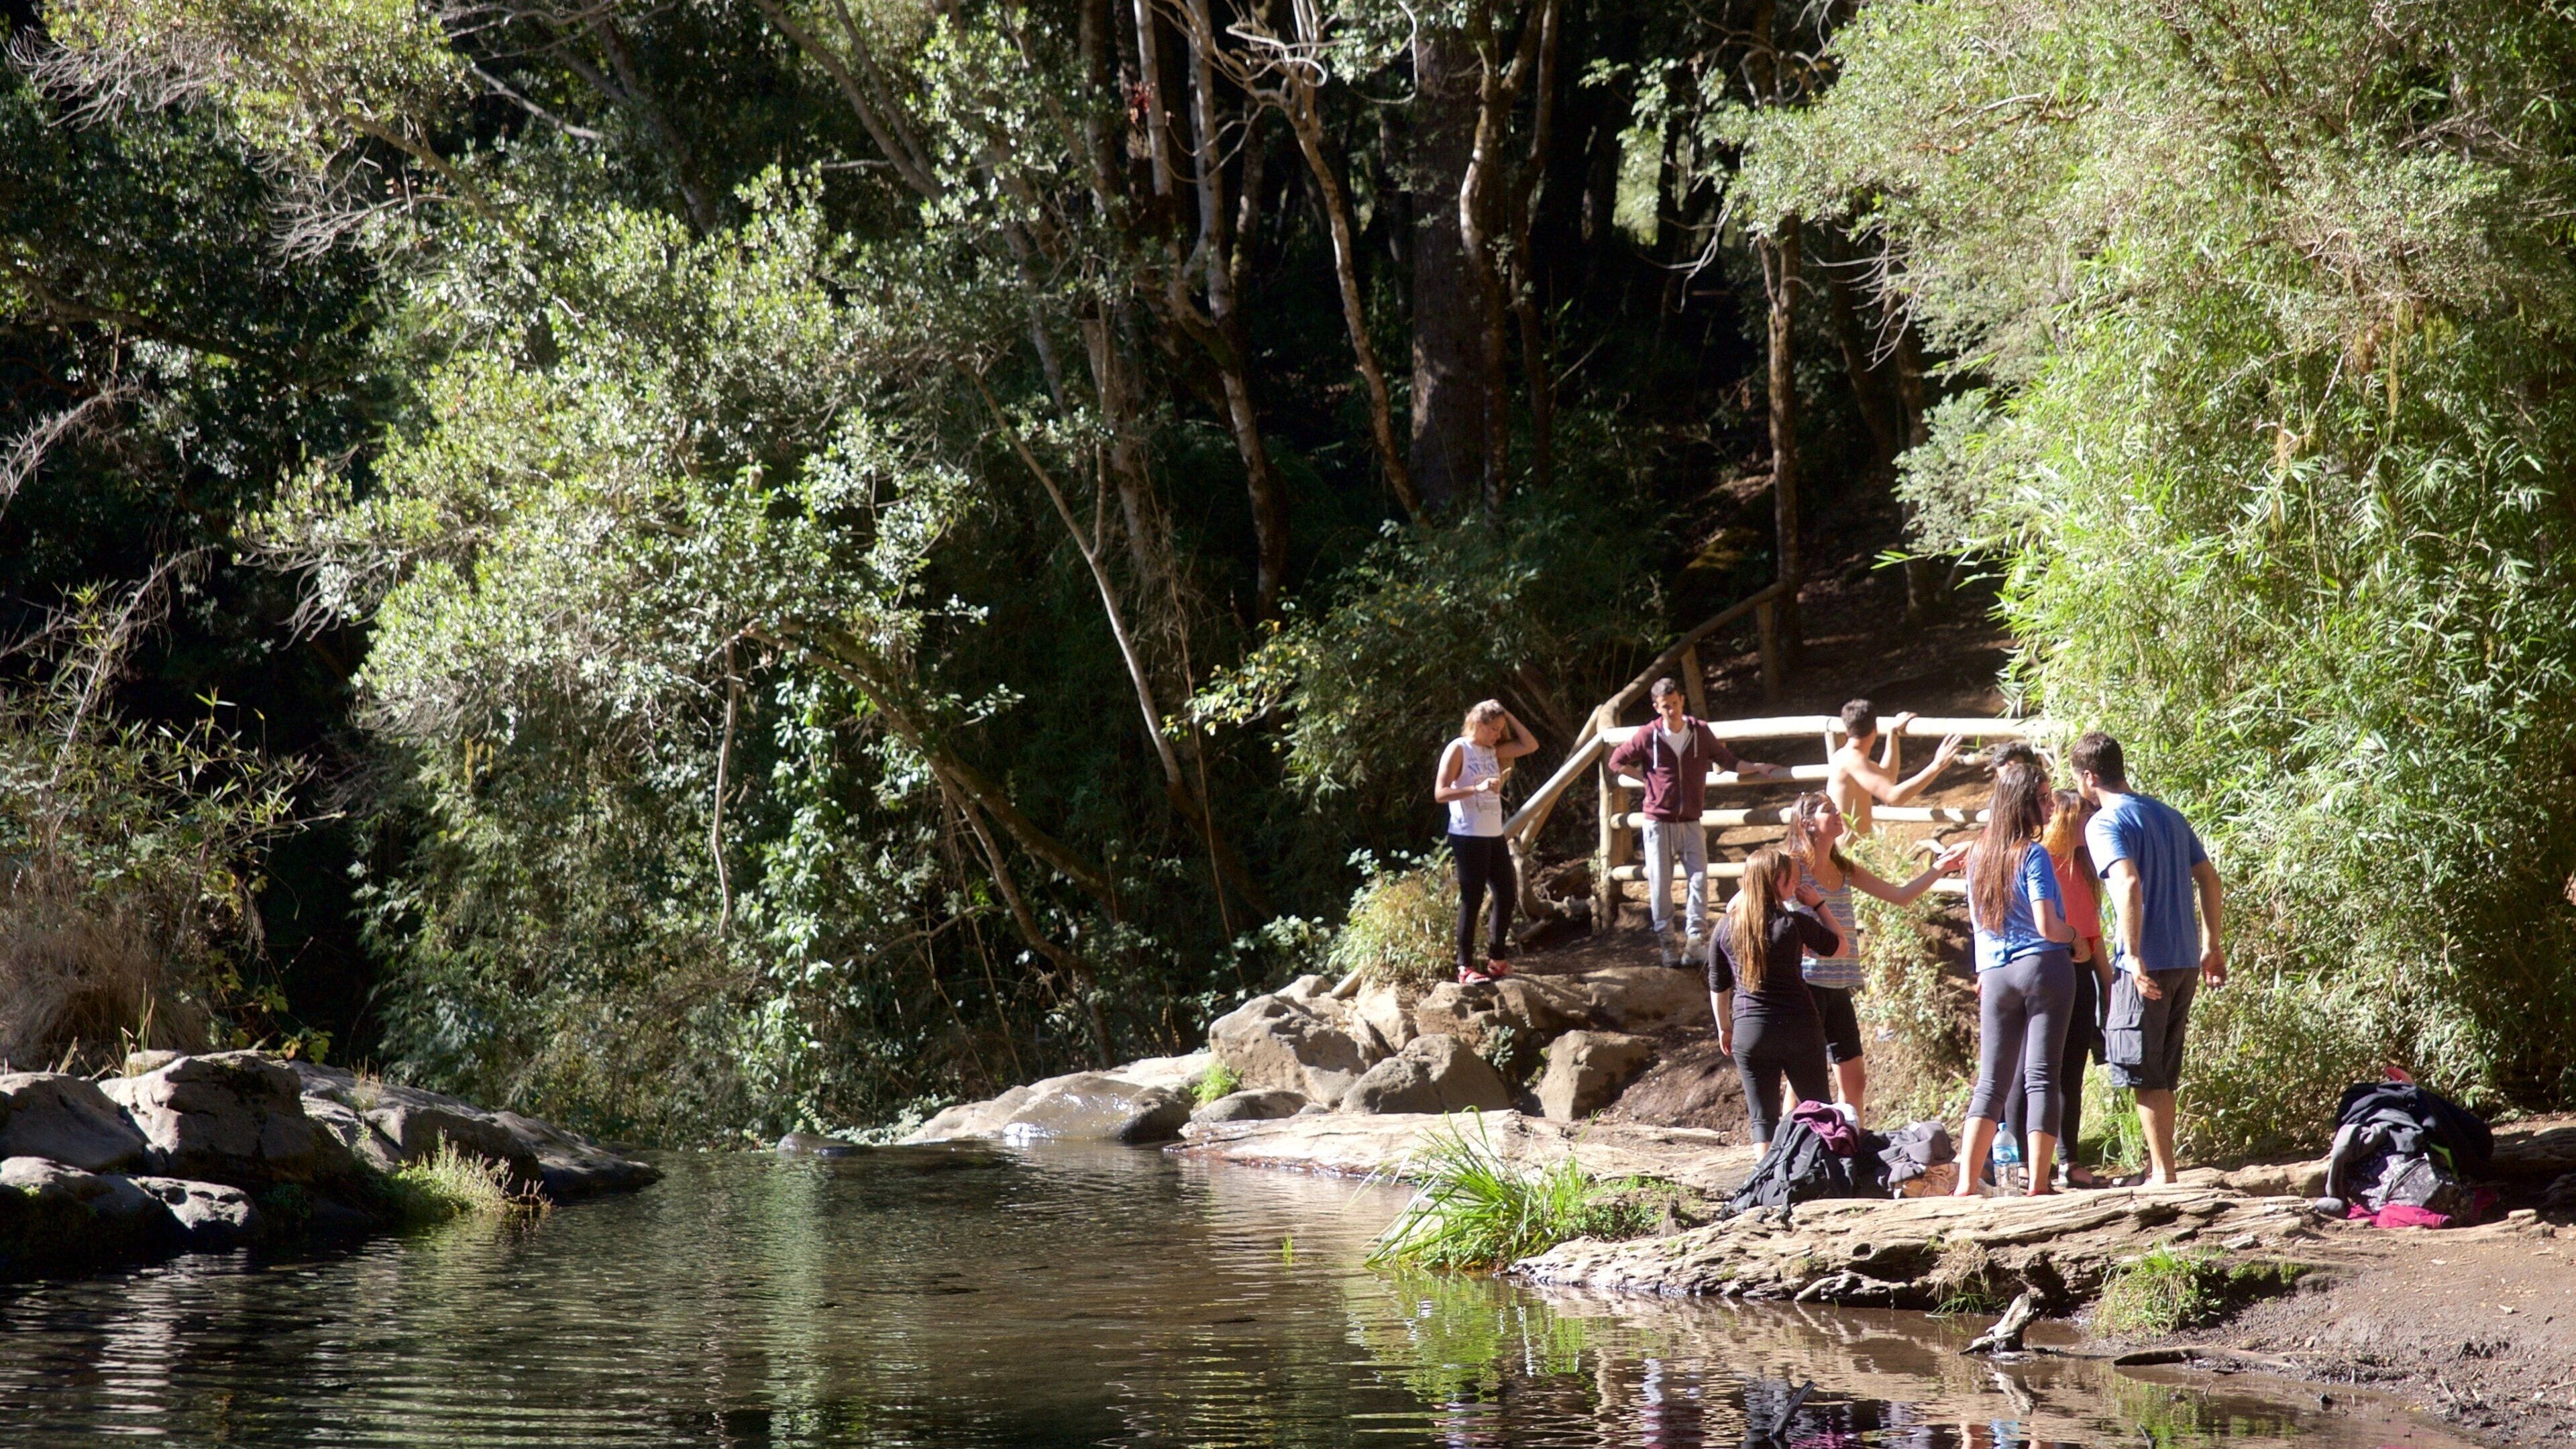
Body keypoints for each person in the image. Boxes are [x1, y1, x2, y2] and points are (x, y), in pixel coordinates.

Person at [2072, 731, 2225, 1187]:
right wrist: (2211, 945)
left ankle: (2163, 1173)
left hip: (2149, 963)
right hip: (2183, 961)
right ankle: (2164, 1168)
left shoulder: (2104, 823)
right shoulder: (2168, 815)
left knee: (2143, 1068)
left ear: (2088, 777)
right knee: (2162, 1067)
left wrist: (2133, 955)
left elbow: (2128, 883)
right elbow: (2210, 880)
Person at [1778, 792, 1970, 1124]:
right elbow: (1745, 900)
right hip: (1805, 986)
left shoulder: (1843, 866)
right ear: (1807, 824)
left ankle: (1850, 1151)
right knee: (1802, 1085)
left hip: (1839, 984)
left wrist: (1941, 867)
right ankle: (1781, 1158)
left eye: (1838, 808)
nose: (1839, 815)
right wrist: (1785, 935)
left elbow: (1900, 895)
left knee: (1854, 1081)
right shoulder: (1791, 865)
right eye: (1829, 811)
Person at [1952, 761, 2076, 1197]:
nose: (2049, 807)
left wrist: (1985, 970)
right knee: (2042, 1075)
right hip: (2043, 967)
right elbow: (2047, 925)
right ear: (2022, 804)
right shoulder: (2033, 854)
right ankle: (2039, 1185)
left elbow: (1978, 924)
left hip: (1995, 974)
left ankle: (1966, 1183)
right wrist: (2074, 936)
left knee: (1991, 1081)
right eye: (2042, 799)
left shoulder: (1977, 856)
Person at [1609, 678, 1790, 966]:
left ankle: (1695, 941)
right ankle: (1667, 942)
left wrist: (1757, 767)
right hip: (1658, 820)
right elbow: (1617, 760)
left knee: (1698, 879)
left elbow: (1728, 760)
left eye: (1676, 704)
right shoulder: (1649, 735)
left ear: (1682, 700)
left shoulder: (1699, 732)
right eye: (1665, 707)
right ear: (1657, 707)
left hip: (1691, 819)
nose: (1672, 711)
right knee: (1660, 883)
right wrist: (1647, 781)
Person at [2004, 788, 2114, 1187]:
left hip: (2081, 977)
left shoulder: (2084, 867)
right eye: (2086, 816)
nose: (2093, 824)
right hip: (2046, 971)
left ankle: (2069, 1160)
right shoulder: (2039, 860)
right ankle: (2021, 1163)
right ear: (2069, 818)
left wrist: (2109, 983)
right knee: (2028, 1071)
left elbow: (2094, 933)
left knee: (2071, 1072)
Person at [1706, 847, 1843, 1152]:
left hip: (1750, 1031)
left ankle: (1763, 1182)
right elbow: (1840, 946)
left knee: (1761, 1118)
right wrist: (1820, 905)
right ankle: (1824, 1174)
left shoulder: (1725, 927)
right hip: (1800, 1028)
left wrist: (1724, 1027)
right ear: (1777, 881)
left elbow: (1718, 985)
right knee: (1818, 1106)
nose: (1795, 886)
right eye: (1791, 880)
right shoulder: (1794, 924)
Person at [1433, 700, 1540, 984]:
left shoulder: (1492, 749)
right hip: (1467, 834)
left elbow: (1530, 745)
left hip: (1493, 834)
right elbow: (1440, 793)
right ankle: (1465, 967)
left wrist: (1509, 715)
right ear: (1478, 724)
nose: (1497, 735)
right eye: (1493, 729)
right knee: (1472, 899)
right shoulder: (1459, 748)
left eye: (1500, 730)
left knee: (1506, 895)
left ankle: (1497, 960)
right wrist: (1476, 788)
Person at [1826, 699, 1965, 835]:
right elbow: (1895, 797)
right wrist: (1937, 765)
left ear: (1847, 731)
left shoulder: (1845, 756)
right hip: (1848, 852)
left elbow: (1889, 777)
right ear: (1875, 728)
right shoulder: (1853, 761)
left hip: (1852, 850)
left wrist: (1893, 734)